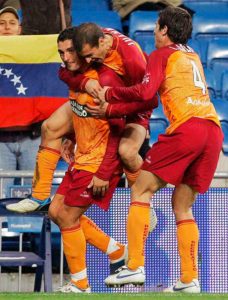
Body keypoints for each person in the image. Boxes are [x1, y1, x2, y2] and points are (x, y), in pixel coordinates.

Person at [99, 7, 223, 293]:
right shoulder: (191, 55)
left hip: (187, 129)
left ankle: (133, 267)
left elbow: (145, 94)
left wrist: (110, 96)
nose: (154, 31)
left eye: (157, 26)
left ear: (165, 30)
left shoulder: (161, 54)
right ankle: (190, 279)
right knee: (182, 204)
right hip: (213, 131)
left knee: (141, 188)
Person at [0, 6, 40, 198]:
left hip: (31, 137)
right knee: (0, 194)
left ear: (20, 29)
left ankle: (33, 230)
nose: (7, 27)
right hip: (1, 139)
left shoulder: (34, 54)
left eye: (12, 23)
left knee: (34, 196)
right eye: (1, 23)